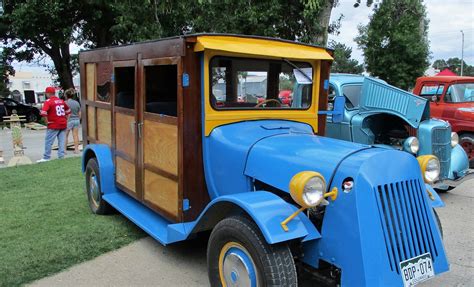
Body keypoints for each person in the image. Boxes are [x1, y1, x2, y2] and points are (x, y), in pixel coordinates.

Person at [37, 87, 70, 162]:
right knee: (61, 141)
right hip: (63, 123)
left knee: (49, 141)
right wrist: (66, 120)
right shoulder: (61, 101)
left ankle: (46, 157)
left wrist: (47, 122)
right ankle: (61, 156)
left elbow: (43, 113)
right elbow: (68, 111)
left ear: (48, 93)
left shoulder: (48, 102)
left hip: (53, 124)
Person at [64, 88, 81, 154]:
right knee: (75, 135)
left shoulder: (65, 103)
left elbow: (64, 113)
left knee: (65, 136)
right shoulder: (76, 103)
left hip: (68, 120)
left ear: (66, 95)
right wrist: (78, 119)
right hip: (76, 120)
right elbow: (80, 112)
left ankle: (64, 150)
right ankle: (76, 150)